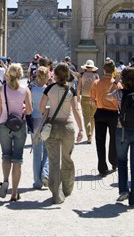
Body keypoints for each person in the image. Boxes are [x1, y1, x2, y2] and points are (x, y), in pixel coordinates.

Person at [39, 62, 83, 204]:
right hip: (68, 127)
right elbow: (76, 110)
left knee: (53, 162)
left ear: (55, 76)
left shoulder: (49, 89)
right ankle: (67, 189)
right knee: (67, 159)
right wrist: (81, 129)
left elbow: (41, 108)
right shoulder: (71, 91)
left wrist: (48, 111)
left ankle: (57, 194)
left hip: (53, 127)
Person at [0, 64, 32, 202]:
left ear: (8, 74)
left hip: (4, 125)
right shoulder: (25, 90)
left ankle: (5, 180)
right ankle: (14, 193)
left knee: (6, 155)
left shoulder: (1, 89)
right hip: (20, 126)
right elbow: (30, 111)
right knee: (18, 159)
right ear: (21, 75)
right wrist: (23, 108)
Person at [108, 67, 134, 209]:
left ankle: (124, 190)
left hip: (122, 131)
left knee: (122, 161)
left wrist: (115, 82)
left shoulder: (118, 93)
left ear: (123, 79)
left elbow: (107, 96)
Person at [90, 59, 121, 176]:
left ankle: (102, 167)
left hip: (100, 113)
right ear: (114, 71)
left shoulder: (96, 83)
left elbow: (92, 101)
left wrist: (98, 104)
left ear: (103, 70)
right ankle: (114, 161)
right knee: (114, 139)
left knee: (100, 141)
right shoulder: (117, 85)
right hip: (113, 113)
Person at [30, 66, 50, 189]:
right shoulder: (49, 90)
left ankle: (37, 182)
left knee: (36, 152)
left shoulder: (31, 90)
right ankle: (45, 173)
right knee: (47, 150)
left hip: (34, 121)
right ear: (47, 77)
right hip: (46, 121)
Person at [77, 59, 99, 143]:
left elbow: (79, 87)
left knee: (86, 117)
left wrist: (78, 96)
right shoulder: (96, 76)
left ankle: (88, 134)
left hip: (85, 97)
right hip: (94, 98)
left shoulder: (82, 75)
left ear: (86, 67)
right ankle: (91, 135)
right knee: (93, 117)